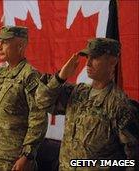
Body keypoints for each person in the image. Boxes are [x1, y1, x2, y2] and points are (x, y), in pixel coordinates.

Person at [35, 38, 139, 170]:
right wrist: (60, 77)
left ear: (113, 61)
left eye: (95, 58)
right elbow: (42, 102)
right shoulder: (78, 92)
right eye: (87, 58)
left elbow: (132, 161)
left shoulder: (120, 105)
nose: (88, 64)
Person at [0, 26, 48, 171]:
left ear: (20, 46)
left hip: (14, 156)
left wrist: (27, 156)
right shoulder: (1, 73)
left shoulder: (30, 76)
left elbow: (38, 118)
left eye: (4, 43)